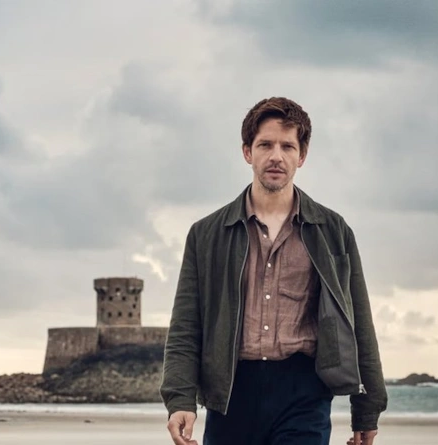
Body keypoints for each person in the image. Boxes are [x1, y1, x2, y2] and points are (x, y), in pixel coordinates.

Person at [160, 97, 387, 445]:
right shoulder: (207, 234)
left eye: (287, 146)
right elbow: (186, 326)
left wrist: (367, 409)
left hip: (304, 391)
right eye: (265, 145)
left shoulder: (332, 231)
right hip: (231, 393)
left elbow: (358, 321)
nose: (276, 156)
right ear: (247, 152)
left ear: (302, 155)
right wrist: (180, 400)